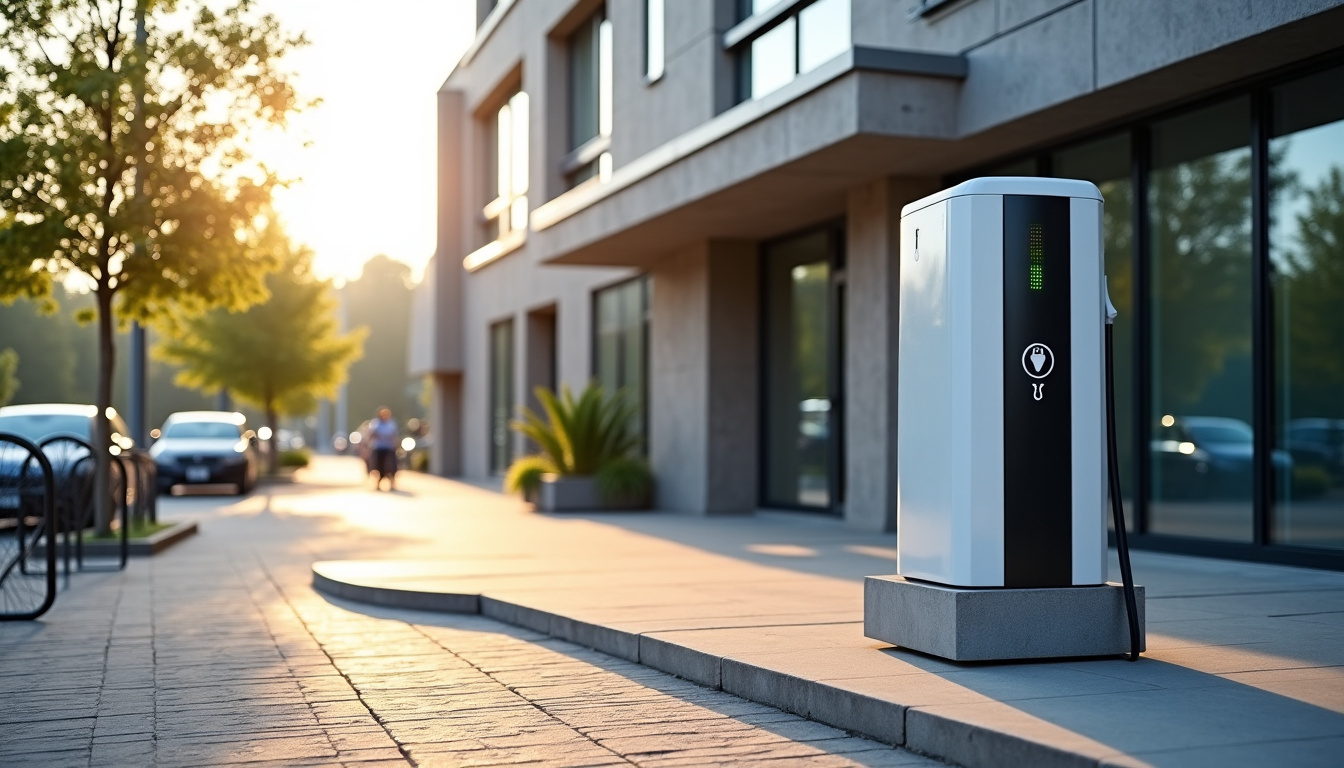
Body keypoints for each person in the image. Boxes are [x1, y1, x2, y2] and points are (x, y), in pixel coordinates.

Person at [368, 407, 399, 491]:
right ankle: (378, 483)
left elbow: (394, 435)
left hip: (389, 447)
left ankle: (392, 483)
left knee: (391, 466)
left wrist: (396, 445)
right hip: (379, 447)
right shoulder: (375, 423)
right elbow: (372, 434)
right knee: (379, 466)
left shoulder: (391, 424)